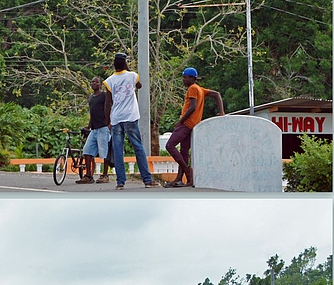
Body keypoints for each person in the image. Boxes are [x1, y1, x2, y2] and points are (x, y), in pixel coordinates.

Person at [103, 52, 159, 190]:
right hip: (130, 117)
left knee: (118, 150)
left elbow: (107, 103)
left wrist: (108, 121)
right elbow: (139, 86)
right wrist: (128, 70)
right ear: (125, 63)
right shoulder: (133, 76)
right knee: (138, 147)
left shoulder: (109, 81)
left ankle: (120, 182)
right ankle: (147, 180)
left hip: (116, 118)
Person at [164, 67, 225, 188]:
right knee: (184, 151)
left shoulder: (192, 88)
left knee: (170, 145)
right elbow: (217, 94)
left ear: (192, 78)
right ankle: (180, 179)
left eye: (185, 77)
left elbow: (192, 107)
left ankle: (188, 173)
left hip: (186, 124)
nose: (183, 80)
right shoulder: (200, 89)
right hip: (193, 125)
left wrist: (180, 121)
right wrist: (221, 111)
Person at [78, 76, 111, 184]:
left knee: (104, 152)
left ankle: (105, 175)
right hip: (94, 129)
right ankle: (88, 175)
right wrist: (88, 126)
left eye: (96, 82)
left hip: (103, 128)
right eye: (92, 82)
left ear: (100, 84)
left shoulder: (104, 96)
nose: (93, 83)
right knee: (87, 151)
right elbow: (92, 114)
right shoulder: (91, 97)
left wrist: (109, 123)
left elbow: (109, 109)